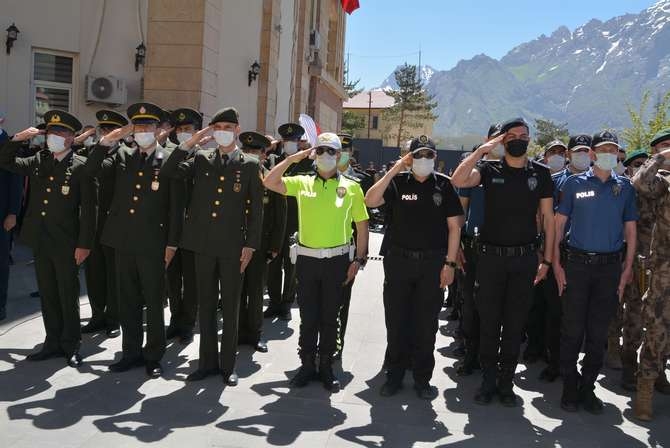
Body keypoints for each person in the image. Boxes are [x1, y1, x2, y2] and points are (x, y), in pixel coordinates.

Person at [452, 117, 554, 407]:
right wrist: (483, 150)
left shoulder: (541, 174)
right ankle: (487, 381)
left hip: (523, 260)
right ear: (502, 140)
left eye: (524, 134)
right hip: (490, 259)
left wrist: (546, 260)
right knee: (489, 322)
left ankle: (506, 383)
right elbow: (459, 179)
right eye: (512, 135)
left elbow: (547, 218)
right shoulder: (487, 169)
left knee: (513, 324)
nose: (519, 139)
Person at [160, 107, 263, 386]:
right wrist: (191, 142)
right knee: (205, 305)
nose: (224, 131)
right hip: (202, 244)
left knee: (229, 306)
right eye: (218, 126)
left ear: (237, 130)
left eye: (229, 127)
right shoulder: (201, 158)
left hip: (232, 247)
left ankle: (228, 366)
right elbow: (169, 171)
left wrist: (250, 246)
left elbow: (256, 212)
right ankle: (206, 363)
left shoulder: (251, 164)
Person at [264, 132, 369, 392]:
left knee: (330, 316)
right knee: (309, 316)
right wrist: (296, 157)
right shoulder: (303, 183)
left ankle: (326, 367)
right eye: (320, 151)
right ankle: (307, 365)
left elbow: (362, 224)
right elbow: (269, 181)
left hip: (337, 261)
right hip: (308, 260)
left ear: (339, 155)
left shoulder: (352, 187)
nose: (325, 156)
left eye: (331, 151)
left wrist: (359, 259)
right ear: (314, 154)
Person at [87, 102, 183, 378]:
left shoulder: (169, 158)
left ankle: (154, 355)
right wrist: (107, 141)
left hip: (153, 243)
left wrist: (172, 243)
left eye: (147, 126)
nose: (142, 130)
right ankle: (130, 352)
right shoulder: (122, 156)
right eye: (138, 126)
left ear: (157, 129)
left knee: (153, 301)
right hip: (123, 241)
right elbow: (91, 170)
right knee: (127, 299)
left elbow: (176, 207)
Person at [365, 135, 463, 399]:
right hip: (398, 262)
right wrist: (397, 167)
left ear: (435, 158)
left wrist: (450, 264)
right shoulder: (396, 182)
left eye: (428, 155)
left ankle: (422, 379)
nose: (423, 160)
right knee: (396, 321)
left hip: (432, 264)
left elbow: (455, 228)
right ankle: (394, 376)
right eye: (417, 155)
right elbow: (370, 200)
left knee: (426, 324)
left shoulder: (444, 186)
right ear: (409, 158)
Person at [0, 110, 96, 367]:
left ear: (71, 137)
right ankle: (52, 342)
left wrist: (84, 244)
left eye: (59, 132)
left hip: (67, 242)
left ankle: (71, 345)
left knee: (67, 295)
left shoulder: (81, 166)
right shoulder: (40, 160)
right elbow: (6, 161)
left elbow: (89, 211)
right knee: (48, 294)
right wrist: (17, 139)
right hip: (41, 240)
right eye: (50, 132)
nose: (53, 136)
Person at [553, 130, 638, 414]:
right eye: (603, 149)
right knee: (571, 329)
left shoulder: (624, 187)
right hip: (577, 265)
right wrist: (555, 263)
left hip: (610, 267)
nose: (609, 154)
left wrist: (627, 268)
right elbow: (558, 225)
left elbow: (631, 229)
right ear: (591, 154)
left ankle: (588, 387)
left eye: (614, 149)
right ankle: (570, 385)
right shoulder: (575, 184)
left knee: (598, 332)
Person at [538, 134, 593, 383]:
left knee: (579, 315)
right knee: (555, 312)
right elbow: (543, 219)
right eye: (577, 151)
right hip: (557, 253)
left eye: (586, 151)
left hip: (586, 257)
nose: (582, 155)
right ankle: (554, 362)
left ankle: (572, 364)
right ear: (569, 154)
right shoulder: (554, 181)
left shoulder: (598, 180)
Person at [456, 123, 503, 377]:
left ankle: (492, 358)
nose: (499, 144)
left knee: (496, 307)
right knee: (471, 304)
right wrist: (458, 246)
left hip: (500, 250)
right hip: (474, 248)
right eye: (494, 139)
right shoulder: (476, 173)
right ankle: (469, 353)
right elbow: (461, 210)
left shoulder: (514, 170)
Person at [631, 128, 670, 421]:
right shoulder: (663, 183)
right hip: (663, 271)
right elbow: (641, 182)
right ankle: (644, 390)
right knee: (656, 328)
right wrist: (660, 157)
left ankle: (659, 375)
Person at [80, 110, 128, 338]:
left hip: (115, 223)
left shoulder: (125, 154)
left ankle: (113, 319)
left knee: (113, 274)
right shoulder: (92, 151)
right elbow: (87, 173)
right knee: (93, 273)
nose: (106, 134)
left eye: (111, 130)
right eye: (104, 130)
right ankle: (97, 315)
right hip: (92, 223)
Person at [238, 131, 286, 353]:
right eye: (247, 151)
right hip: (235, 244)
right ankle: (237, 332)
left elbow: (280, 216)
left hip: (260, 245)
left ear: (264, 155)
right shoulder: (234, 176)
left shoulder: (272, 180)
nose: (251, 155)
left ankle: (255, 334)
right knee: (236, 291)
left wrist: (275, 247)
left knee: (256, 292)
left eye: (256, 152)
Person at [264, 123, 312, 321]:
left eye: (294, 141)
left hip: (296, 221)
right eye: (287, 140)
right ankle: (274, 303)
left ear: (299, 142)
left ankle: (286, 303)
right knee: (273, 265)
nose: (290, 144)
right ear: (282, 142)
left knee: (292, 266)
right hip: (275, 222)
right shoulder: (275, 160)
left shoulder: (308, 164)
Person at [164, 107, 204, 345]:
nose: (183, 133)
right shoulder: (168, 154)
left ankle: (187, 324)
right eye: (179, 129)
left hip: (194, 230)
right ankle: (175, 320)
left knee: (191, 281)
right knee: (172, 278)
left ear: (197, 132)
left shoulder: (204, 157)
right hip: (170, 226)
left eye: (188, 129)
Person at [334, 133, 374, 359]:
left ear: (349, 153)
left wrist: (361, 256)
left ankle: (336, 345)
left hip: (348, 248)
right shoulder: (314, 177)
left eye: (344, 150)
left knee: (341, 300)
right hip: (320, 246)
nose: (340, 155)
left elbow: (364, 222)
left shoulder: (361, 180)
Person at [0, 113, 22, 321]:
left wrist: (13, 213)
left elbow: (16, 183)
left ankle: (0, 305)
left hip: (2, 215)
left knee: (0, 263)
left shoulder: (8, 145)